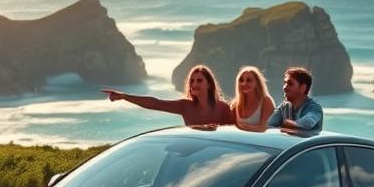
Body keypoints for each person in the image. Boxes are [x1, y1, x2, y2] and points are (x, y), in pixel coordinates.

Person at [102, 64, 234, 126]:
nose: (194, 84)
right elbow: (156, 103)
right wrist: (125, 96)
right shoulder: (185, 106)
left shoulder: (223, 108)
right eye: (192, 81)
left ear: (209, 84)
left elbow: (233, 136)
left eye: (199, 80)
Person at [267, 66, 323, 132]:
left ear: (303, 88)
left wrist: (288, 124)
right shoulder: (284, 107)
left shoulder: (314, 108)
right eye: (285, 83)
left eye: (290, 84)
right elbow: (269, 125)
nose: (284, 87)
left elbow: (307, 123)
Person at [232, 66, 275, 132]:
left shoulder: (266, 101)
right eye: (241, 80)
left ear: (257, 82)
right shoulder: (235, 105)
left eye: (249, 80)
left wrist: (241, 127)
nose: (244, 83)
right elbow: (230, 128)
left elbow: (264, 129)